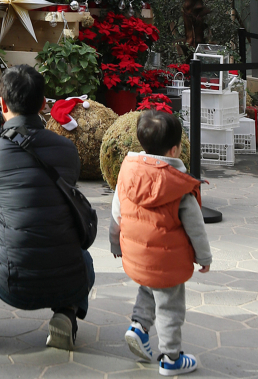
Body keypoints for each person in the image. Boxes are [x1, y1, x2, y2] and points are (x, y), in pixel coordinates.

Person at [0, 64, 94, 350]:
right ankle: (66, 312)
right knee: (81, 257)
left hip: (13, 284)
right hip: (69, 280)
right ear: (43, 104)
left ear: (2, 104)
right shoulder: (67, 150)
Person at [111, 110, 212, 376]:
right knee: (170, 307)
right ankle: (170, 358)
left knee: (148, 287)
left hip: (137, 255)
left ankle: (139, 327)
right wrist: (204, 257)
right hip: (167, 261)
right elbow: (196, 227)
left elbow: (116, 212)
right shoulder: (179, 186)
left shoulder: (127, 172)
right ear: (176, 149)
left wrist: (116, 243)